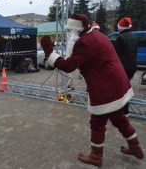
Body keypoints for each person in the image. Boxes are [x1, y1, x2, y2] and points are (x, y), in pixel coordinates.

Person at [41, 14, 144, 167]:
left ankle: (96, 157)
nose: (69, 34)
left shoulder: (84, 42)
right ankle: (136, 149)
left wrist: (49, 53)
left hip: (105, 87)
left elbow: (69, 65)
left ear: (76, 30)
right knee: (118, 118)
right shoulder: (96, 34)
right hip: (116, 83)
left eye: (70, 30)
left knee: (97, 122)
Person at [113, 17, 137, 118]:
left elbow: (114, 53)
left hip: (123, 67)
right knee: (125, 87)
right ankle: (123, 111)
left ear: (121, 27)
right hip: (132, 67)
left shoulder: (121, 38)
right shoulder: (133, 36)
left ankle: (123, 111)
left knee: (120, 89)